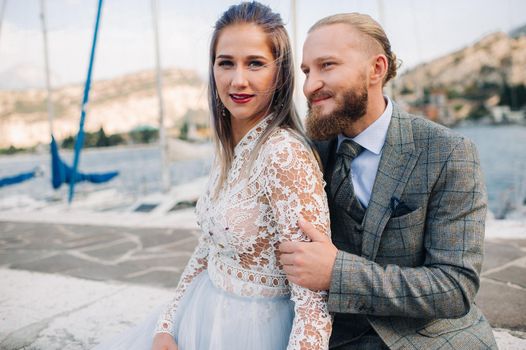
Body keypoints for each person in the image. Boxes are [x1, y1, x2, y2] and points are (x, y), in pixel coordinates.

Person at [93, 2, 331, 350]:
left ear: (279, 74)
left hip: (255, 333)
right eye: (226, 63)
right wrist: (167, 323)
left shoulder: (284, 155)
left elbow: (313, 303)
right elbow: (207, 251)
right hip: (202, 315)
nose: (238, 79)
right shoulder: (229, 150)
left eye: (255, 63)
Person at [279, 13, 498, 349]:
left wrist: (338, 272)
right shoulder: (307, 153)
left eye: (327, 66)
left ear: (376, 69)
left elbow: (455, 287)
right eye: (307, 71)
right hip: (339, 337)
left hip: (430, 338)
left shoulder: (448, 152)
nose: (310, 86)